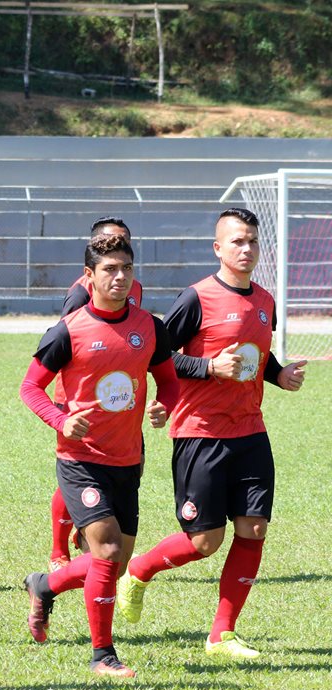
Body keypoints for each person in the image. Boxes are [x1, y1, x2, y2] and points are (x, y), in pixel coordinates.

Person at [117, 208, 306, 660]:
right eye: (237, 241)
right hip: (200, 434)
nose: (246, 249)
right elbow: (156, 357)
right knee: (204, 542)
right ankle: (138, 571)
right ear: (218, 248)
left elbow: (257, 357)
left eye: (253, 242)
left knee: (254, 528)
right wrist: (206, 367)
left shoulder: (264, 300)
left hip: (251, 432)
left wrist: (280, 376)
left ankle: (222, 633)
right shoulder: (195, 298)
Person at [19, 234, 179, 679]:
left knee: (115, 561)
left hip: (127, 459)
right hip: (80, 460)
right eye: (109, 269)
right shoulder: (68, 330)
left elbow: (168, 380)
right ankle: (102, 655)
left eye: (126, 268)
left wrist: (164, 404)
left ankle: (44, 584)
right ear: (89, 277)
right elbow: (30, 387)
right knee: (107, 551)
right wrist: (60, 420)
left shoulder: (151, 326)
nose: (120, 276)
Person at [49, 216, 144, 572]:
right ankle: (59, 550)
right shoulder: (80, 292)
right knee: (80, 467)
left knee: (129, 465)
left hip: (121, 398)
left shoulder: (133, 286)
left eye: (123, 246)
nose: (119, 271)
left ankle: (92, 521)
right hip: (77, 398)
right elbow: (67, 338)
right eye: (108, 244)